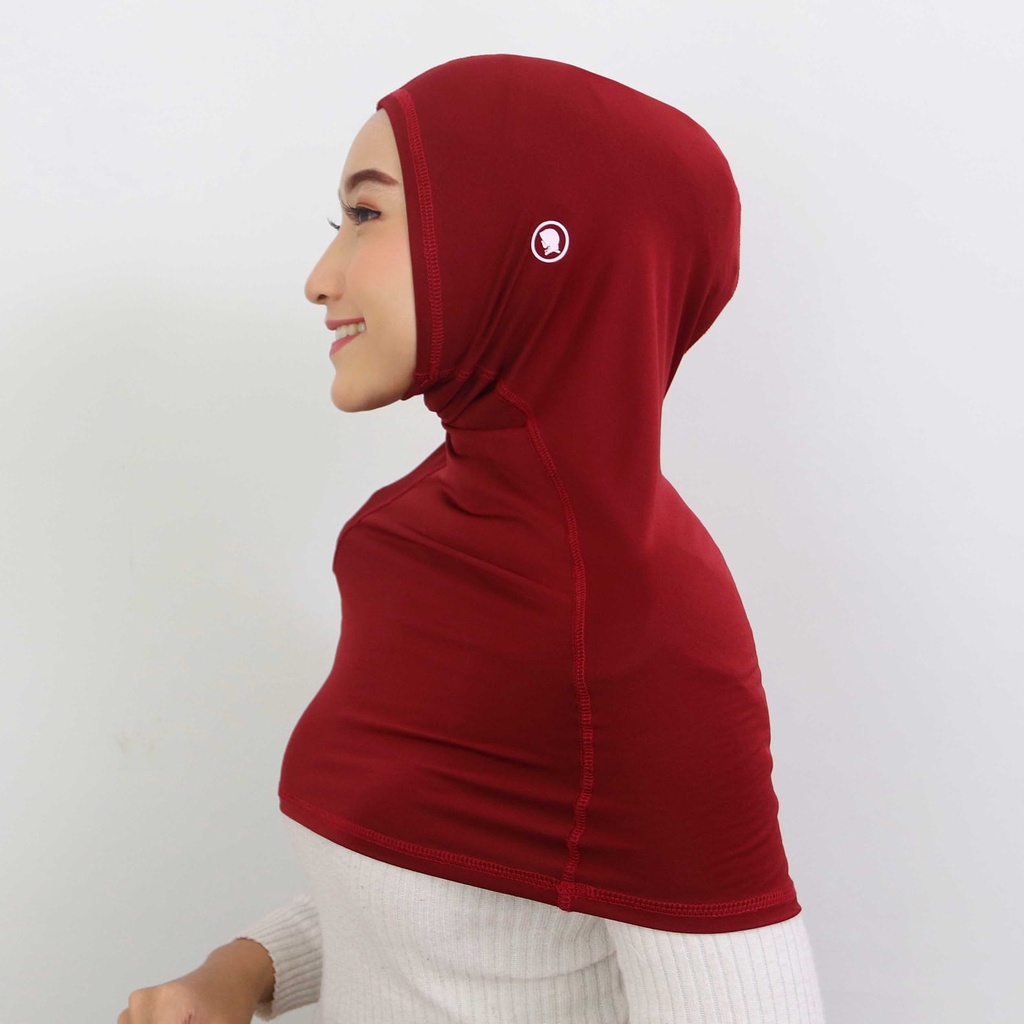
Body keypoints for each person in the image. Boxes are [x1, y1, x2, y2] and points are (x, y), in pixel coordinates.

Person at [118, 54, 826, 1023]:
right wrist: (240, 973)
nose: (320, 278)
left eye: (366, 214)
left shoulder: (637, 623)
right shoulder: (402, 536)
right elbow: (449, 907)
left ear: (531, 242)